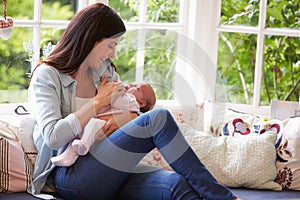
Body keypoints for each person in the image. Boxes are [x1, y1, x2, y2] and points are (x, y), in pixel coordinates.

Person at [27, 3, 240, 200]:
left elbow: (128, 116)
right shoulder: (47, 76)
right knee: (158, 118)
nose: (113, 53)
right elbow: (53, 136)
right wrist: (98, 103)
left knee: (176, 185)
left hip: (113, 167)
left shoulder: (105, 72)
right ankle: (224, 198)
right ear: (91, 39)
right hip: (72, 176)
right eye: (111, 45)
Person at [50, 82, 156, 167]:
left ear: (142, 103)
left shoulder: (132, 102)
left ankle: (83, 147)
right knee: (77, 137)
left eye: (137, 88)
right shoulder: (128, 97)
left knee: (92, 126)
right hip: (98, 122)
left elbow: (116, 101)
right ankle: (67, 156)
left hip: (104, 126)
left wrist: (111, 94)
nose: (131, 85)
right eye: (133, 83)